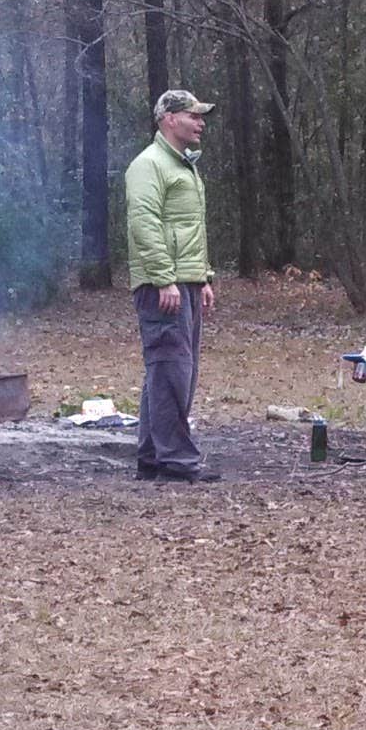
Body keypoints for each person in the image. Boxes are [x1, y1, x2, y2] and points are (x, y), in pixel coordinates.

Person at [124, 88, 218, 481]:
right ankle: (177, 460)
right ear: (168, 119)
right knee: (171, 370)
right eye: (193, 115)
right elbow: (143, 223)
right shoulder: (149, 165)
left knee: (168, 371)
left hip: (185, 282)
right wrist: (165, 278)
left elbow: (188, 229)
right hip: (164, 284)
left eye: (201, 116)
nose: (200, 122)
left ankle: (152, 457)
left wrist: (204, 276)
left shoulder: (182, 166)